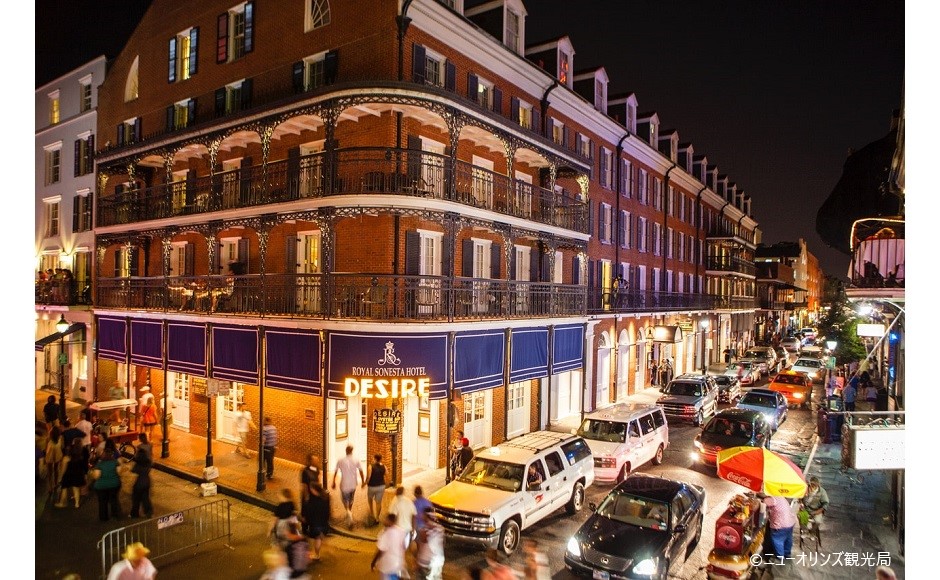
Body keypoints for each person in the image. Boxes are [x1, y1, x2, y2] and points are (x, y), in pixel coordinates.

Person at [332, 445, 365, 527]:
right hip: (353, 484)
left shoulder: (340, 460)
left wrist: (333, 481)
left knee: (344, 500)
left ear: (346, 451)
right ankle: (349, 512)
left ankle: (349, 513)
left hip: (344, 484)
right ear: (352, 451)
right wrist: (363, 481)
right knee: (351, 499)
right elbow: (361, 471)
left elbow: (335, 471)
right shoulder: (356, 460)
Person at [371, 513, 407, 580]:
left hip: (388, 566)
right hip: (398, 564)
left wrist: (374, 562)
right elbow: (404, 546)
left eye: (386, 519)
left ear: (390, 521)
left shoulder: (386, 533)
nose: (384, 521)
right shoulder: (401, 531)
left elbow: (381, 550)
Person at [300, 482, 330, 561]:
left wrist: (306, 521)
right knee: (319, 537)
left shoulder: (312, 501)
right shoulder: (325, 498)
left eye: (311, 488)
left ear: (314, 490)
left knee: (317, 539)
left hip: (316, 524)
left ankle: (317, 555)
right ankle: (319, 550)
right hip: (323, 522)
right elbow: (328, 511)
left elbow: (309, 513)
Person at [92, 446, 123, 521]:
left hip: (101, 486)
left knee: (102, 502)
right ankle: (114, 516)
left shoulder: (99, 464)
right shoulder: (115, 462)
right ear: (112, 454)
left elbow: (96, 476)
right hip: (114, 484)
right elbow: (119, 472)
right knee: (113, 500)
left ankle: (103, 517)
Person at [56, 438, 88, 508]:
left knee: (64, 488)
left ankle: (62, 503)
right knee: (76, 488)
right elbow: (83, 465)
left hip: (68, 474)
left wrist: (60, 477)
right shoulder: (80, 456)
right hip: (78, 473)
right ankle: (77, 504)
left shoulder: (66, 458)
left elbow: (63, 469)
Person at [763, 494, 797, 560]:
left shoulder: (772, 499)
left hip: (780, 525)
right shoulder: (781, 498)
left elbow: (765, 502)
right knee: (788, 539)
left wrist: (762, 498)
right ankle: (787, 553)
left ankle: (780, 556)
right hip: (790, 522)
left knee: (778, 540)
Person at [415, 508, 444, 580]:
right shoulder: (441, 528)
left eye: (423, 515)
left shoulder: (425, 529)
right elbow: (443, 543)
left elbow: (423, 542)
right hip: (438, 561)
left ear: (426, 516)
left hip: (426, 562)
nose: (421, 516)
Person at [129, 446, 153, 518]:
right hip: (147, 481)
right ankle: (148, 511)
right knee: (145, 498)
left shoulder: (138, 464)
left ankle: (134, 513)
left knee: (136, 498)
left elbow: (133, 470)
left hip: (139, 482)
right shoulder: (148, 463)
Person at [366, 454, 388, 525]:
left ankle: (372, 513)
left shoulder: (370, 466)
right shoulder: (384, 466)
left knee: (370, 499)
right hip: (381, 486)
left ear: (375, 458)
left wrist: (365, 483)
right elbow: (387, 474)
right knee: (378, 502)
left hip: (372, 486)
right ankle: (377, 518)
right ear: (381, 459)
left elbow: (368, 477)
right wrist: (385, 483)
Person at [44, 426, 65, 498]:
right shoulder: (60, 438)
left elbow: (45, 448)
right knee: (56, 470)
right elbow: (62, 447)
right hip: (57, 455)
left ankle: (50, 487)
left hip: (49, 456)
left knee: (49, 472)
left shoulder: (48, 438)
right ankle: (55, 483)